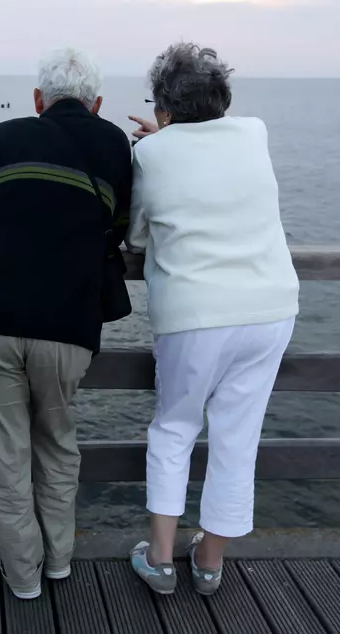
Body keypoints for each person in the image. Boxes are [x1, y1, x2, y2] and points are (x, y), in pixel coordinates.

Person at [0, 48, 132, 600]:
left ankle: (23, 577)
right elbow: (120, 229)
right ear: (98, 104)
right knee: (57, 443)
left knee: (4, 456)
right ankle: (59, 562)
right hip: (68, 326)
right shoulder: (114, 144)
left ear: (38, 100)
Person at [125, 43, 299, 596]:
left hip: (196, 314)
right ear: (222, 99)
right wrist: (172, 140)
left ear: (164, 108)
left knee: (175, 428)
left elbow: (136, 235)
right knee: (237, 436)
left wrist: (160, 146)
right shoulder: (255, 133)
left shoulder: (150, 156)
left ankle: (159, 559)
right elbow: (211, 157)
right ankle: (208, 562)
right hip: (270, 309)